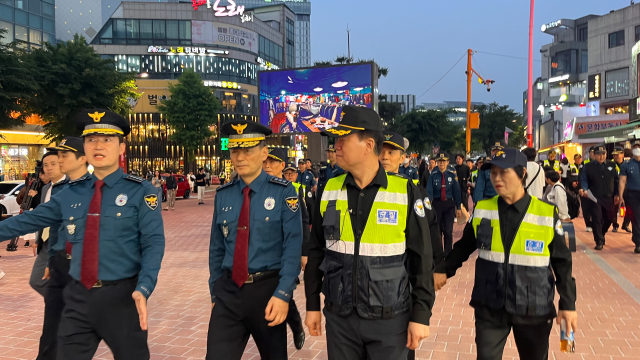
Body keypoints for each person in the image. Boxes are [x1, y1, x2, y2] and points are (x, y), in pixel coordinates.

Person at [0, 109, 166, 359]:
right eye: (91, 140)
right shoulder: (71, 193)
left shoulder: (141, 191)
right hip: (77, 298)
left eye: (107, 140)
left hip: (121, 299)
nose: (98, 145)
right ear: (86, 149)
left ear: (122, 147)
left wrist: (144, 287)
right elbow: (28, 221)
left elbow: (153, 242)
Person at [304, 106, 434, 360]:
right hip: (340, 318)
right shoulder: (329, 189)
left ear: (368, 144)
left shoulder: (404, 191)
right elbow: (316, 250)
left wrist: (421, 315)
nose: (336, 145)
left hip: (389, 319)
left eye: (343, 138)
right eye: (336, 139)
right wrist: (311, 304)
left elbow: (422, 258)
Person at [434, 148, 577, 360]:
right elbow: (464, 246)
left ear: (522, 174)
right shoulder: (483, 209)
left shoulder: (546, 213)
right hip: (490, 305)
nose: (497, 178)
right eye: (493, 173)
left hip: (533, 308)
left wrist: (568, 304)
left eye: (504, 172)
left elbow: (562, 263)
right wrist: (443, 271)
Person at [207, 120, 302, 360]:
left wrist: (283, 294)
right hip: (228, 293)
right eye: (234, 150)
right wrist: (215, 292)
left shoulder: (283, 192)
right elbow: (216, 248)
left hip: (267, 292)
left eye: (247, 150)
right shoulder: (224, 194)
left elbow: (292, 245)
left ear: (264, 153)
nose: (239, 157)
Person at [379, 131, 444, 360]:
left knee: (404, 345)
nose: (385, 157)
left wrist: (438, 266)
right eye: (382, 151)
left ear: (403, 157)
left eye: (391, 152)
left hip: (404, 275)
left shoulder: (412, 188)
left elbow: (430, 228)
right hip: (376, 286)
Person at [38, 136, 87, 360]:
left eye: (63, 155)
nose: (57, 160)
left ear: (82, 159)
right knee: (50, 330)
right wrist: (51, 261)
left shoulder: (97, 188)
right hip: (60, 262)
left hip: (84, 268)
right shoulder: (58, 190)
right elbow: (52, 226)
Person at [262, 148, 308, 350]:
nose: (267, 166)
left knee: (282, 290)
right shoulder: (259, 187)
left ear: (282, 166)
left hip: (285, 251)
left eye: (273, 162)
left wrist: (304, 252)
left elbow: (304, 221)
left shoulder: (291, 190)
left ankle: (296, 326)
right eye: (265, 162)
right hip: (266, 250)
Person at [29, 151, 65, 298]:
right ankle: (61, 303)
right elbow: (43, 216)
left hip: (63, 243)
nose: (49, 168)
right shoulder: (45, 188)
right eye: (45, 165)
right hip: (46, 241)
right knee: (37, 280)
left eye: (53, 164)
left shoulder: (71, 187)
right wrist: (38, 240)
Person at [580, 145, 619, 250]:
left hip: (609, 197)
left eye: (603, 154)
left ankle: (601, 233)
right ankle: (599, 241)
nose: (601, 157)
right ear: (594, 155)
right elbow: (584, 180)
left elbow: (616, 180)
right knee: (597, 218)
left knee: (610, 218)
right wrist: (584, 189)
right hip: (594, 197)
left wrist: (617, 194)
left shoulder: (612, 165)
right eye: (598, 154)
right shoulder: (588, 167)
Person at [426, 152, 462, 256]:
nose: (441, 163)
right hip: (437, 204)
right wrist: (428, 207)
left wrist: (458, 207)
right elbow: (429, 192)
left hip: (449, 205)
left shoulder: (452, 174)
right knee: (437, 231)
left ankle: (448, 252)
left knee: (448, 230)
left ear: (448, 162)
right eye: (439, 161)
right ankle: (438, 253)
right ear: (437, 162)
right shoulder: (433, 175)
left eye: (443, 161)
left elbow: (456, 191)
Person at [618, 140, 640, 253]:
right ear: (632, 150)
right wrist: (620, 195)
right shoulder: (627, 165)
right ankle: (638, 243)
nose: (637, 149)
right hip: (633, 194)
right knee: (636, 218)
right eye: (635, 147)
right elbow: (622, 181)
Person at [575, 153, 593, 232]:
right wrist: (581, 188)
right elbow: (580, 177)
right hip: (585, 189)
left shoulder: (601, 164)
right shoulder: (584, 164)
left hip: (595, 190)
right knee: (585, 208)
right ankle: (588, 224)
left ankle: (595, 223)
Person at [611, 146, 628, 233]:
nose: (615, 157)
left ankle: (625, 224)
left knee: (629, 208)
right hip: (614, 189)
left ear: (622, 154)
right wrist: (616, 193)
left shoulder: (627, 164)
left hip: (626, 189)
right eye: (614, 155)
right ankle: (615, 225)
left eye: (617, 155)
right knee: (614, 208)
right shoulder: (611, 165)